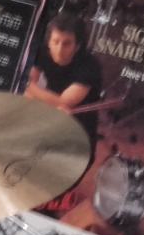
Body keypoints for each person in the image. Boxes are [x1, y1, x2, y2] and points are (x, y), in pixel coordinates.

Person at [24, 12, 102, 147]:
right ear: (49, 42)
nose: (59, 49)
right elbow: (28, 88)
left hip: (79, 129)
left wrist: (28, 86)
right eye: (55, 42)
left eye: (67, 44)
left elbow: (64, 102)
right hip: (50, 116)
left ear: (77, 46)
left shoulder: (90, 66)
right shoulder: (42, 52)